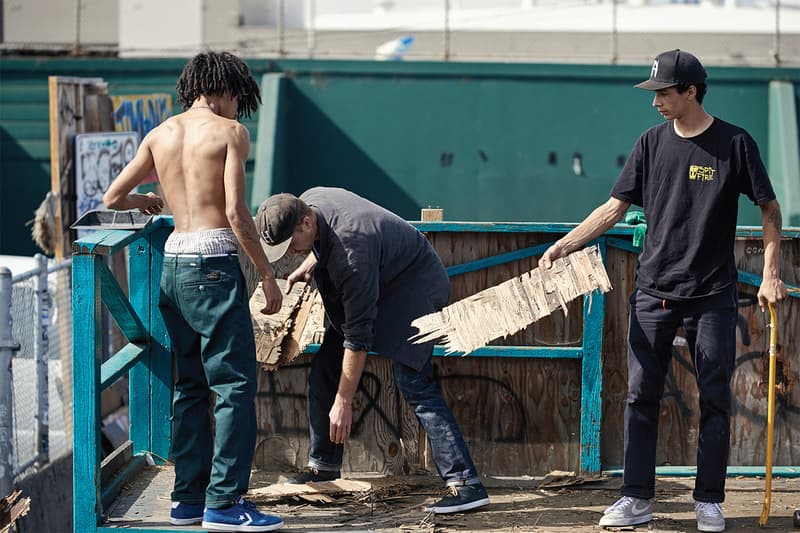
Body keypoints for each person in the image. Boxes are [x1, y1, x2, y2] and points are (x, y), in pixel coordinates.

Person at [540, 49, 787, 533]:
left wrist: (773, 274)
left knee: (714, 397)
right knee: (639, 396)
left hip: (713, 294)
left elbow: (771, 211)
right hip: (653, 291)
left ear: (691, 91)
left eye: (664, 93)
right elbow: (614, 208)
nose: (655, 102)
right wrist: (565, 245)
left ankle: (710, 501)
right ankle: (636, 498)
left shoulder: (734, 143)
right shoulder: (650, 143)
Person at [103, 51, 285, 532]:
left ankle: (187, 501)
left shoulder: (160, 134)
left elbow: (111, 198)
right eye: (237, 99)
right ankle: (225, 504)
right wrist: (267, 274)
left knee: (190, 386)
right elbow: (235, 213)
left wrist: (146, 200)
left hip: (174, 266)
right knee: (235, 386)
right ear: (225, 89)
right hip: (213, 267)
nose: (236, 110)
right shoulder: (229, 133)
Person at [256, 187, 490, 514]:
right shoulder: (311, 201)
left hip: (415, 289)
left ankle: (466, 484)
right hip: (379, 277)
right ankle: (323, 466)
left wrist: (344, 402)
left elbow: (358, 336)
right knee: (325, 370)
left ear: (306, 223)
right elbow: (329, 242)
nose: (289, 254)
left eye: (291, 245)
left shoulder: (352, 253)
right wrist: (312, 259)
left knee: (414, 383)